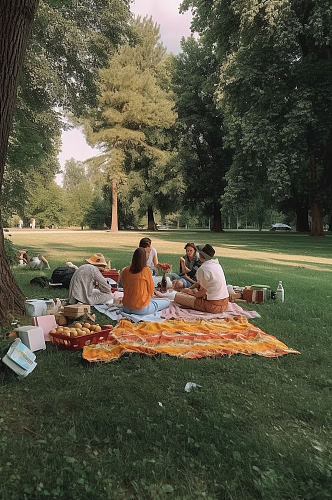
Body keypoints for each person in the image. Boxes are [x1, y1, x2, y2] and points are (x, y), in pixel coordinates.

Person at [174, 244, 229, 314]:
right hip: (225, 303)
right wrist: (190, 289)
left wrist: (190, 294)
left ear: (199, 255)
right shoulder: (217, 265)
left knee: (178, 297)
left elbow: (202, 293)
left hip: (213, 306)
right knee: (189, 292)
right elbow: (200, 283)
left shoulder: (203, 269)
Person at [121, 247, 170, 315]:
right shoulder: (146, 270)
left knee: (154, 300)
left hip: (126, 308)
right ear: (144, 258)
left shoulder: (125, 270)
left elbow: (124, 285)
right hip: (140, 309)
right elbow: (151, 290)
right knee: (167, 301)